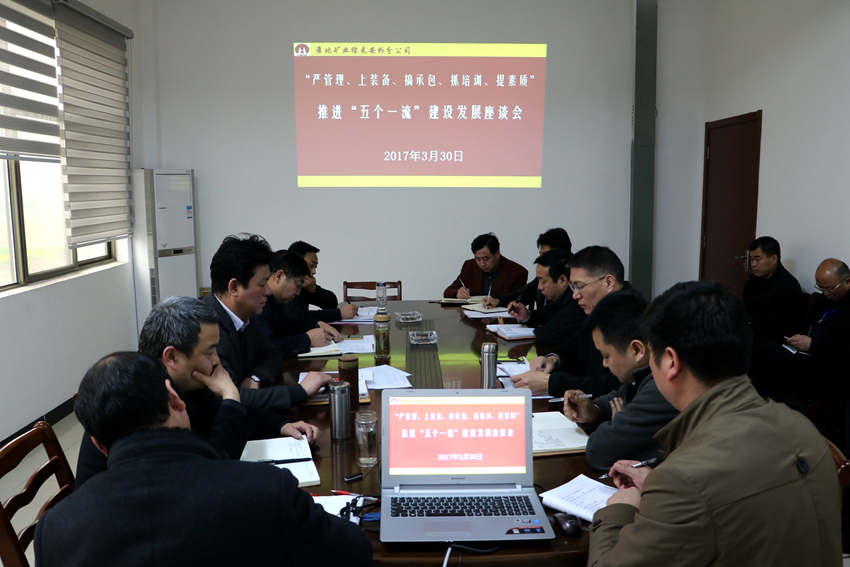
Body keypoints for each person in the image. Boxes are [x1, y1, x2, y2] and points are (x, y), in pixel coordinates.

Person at [588, 281, 841, 567]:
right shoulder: (803, 428)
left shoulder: (684, 478)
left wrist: (618, 511)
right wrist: (659, 486)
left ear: (670, 361)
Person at [35, 352, 372, 567]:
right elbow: (354, 552)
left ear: (98, 444)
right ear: (175, 399)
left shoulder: (55, 529)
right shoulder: (266, 491)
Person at [75, 296, 320, 487]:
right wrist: (231, 396)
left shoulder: (176, 380)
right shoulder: (147, 401)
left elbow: (216, 410)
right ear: (172, 357)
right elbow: (208, 470)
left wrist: (281, 425)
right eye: (209, 352)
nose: (216, 361)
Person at [202, 234, 331, 413]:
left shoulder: (245, 316)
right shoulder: (206, 330)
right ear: (234, 287)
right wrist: (300, 391)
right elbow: (232, 398)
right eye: (263, 284)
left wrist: (255, 377)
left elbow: (272, 354)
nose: (269, 292)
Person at [561, 292, 677, 471]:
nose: (604, 364)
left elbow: (600, 452)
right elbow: (621, 396)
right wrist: (594, 411)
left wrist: (616, 424)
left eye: (606, 355)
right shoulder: (647, 372)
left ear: (637, 349)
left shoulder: (664, 385)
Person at [511, 246, 638, 397]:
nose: (575, 295)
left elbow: (617, 386)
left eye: (580, 286)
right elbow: (577, 343)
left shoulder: (632, 319)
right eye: (573, 287)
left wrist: (550, 383)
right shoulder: (601, 308)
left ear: (609, 282)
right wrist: (552, 359)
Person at [751, 258, 850, 399]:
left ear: (848, 282)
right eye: (821, 288)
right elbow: (808, 324)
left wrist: (812, 345)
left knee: (767, 350)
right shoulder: (825, 299)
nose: (825, 293)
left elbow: (844, 349)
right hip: (806, 353)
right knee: (763, 354)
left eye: (829, 288)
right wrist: (797, 339)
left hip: (828, 367)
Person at [255, 250, 341, 358]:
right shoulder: (259, 303)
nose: (298, 293)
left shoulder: (275, 301)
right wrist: (307, 340)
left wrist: (317, 324)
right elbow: (269, 348)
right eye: (298, 284)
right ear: (279, 276)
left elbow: (290, 325)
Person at [506, 249, 585, 346]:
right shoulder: (558, 298)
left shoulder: (577, 302)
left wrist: (539, 330)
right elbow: (544, 315)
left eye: (543, 282)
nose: (539, 287)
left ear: (563, 280)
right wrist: (527, 316)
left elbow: (548, 335)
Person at [482, 227, 573, 309]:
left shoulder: (574, 289)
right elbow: (523, 294)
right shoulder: (543, 277)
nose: (541, 259)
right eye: (540, 254)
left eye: (545, 255)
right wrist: (498, 301)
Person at [742, 236, 803, 344]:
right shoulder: (757, 280)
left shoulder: (787, 287)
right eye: (751, 259)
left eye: (758, 259)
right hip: (752, 333)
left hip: (772, 341)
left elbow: (774, 327)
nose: (753, 264)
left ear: (774, 259)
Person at [287, 240, 359, 322]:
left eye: (315, 267)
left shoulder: (304, 286)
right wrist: (339, 314)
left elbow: (332, 303)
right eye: (311, 266)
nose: (314, 272)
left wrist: (314, 289)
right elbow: (296, 316)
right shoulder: (285, 286)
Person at [443, 232, 527, 299]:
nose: (482, 264)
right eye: (477, 259)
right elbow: (448, 291)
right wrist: (457, 293)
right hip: (472, 314)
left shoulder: (517, 272)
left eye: (486, 259)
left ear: (497, 253)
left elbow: (518, 300)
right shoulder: (469, 266)